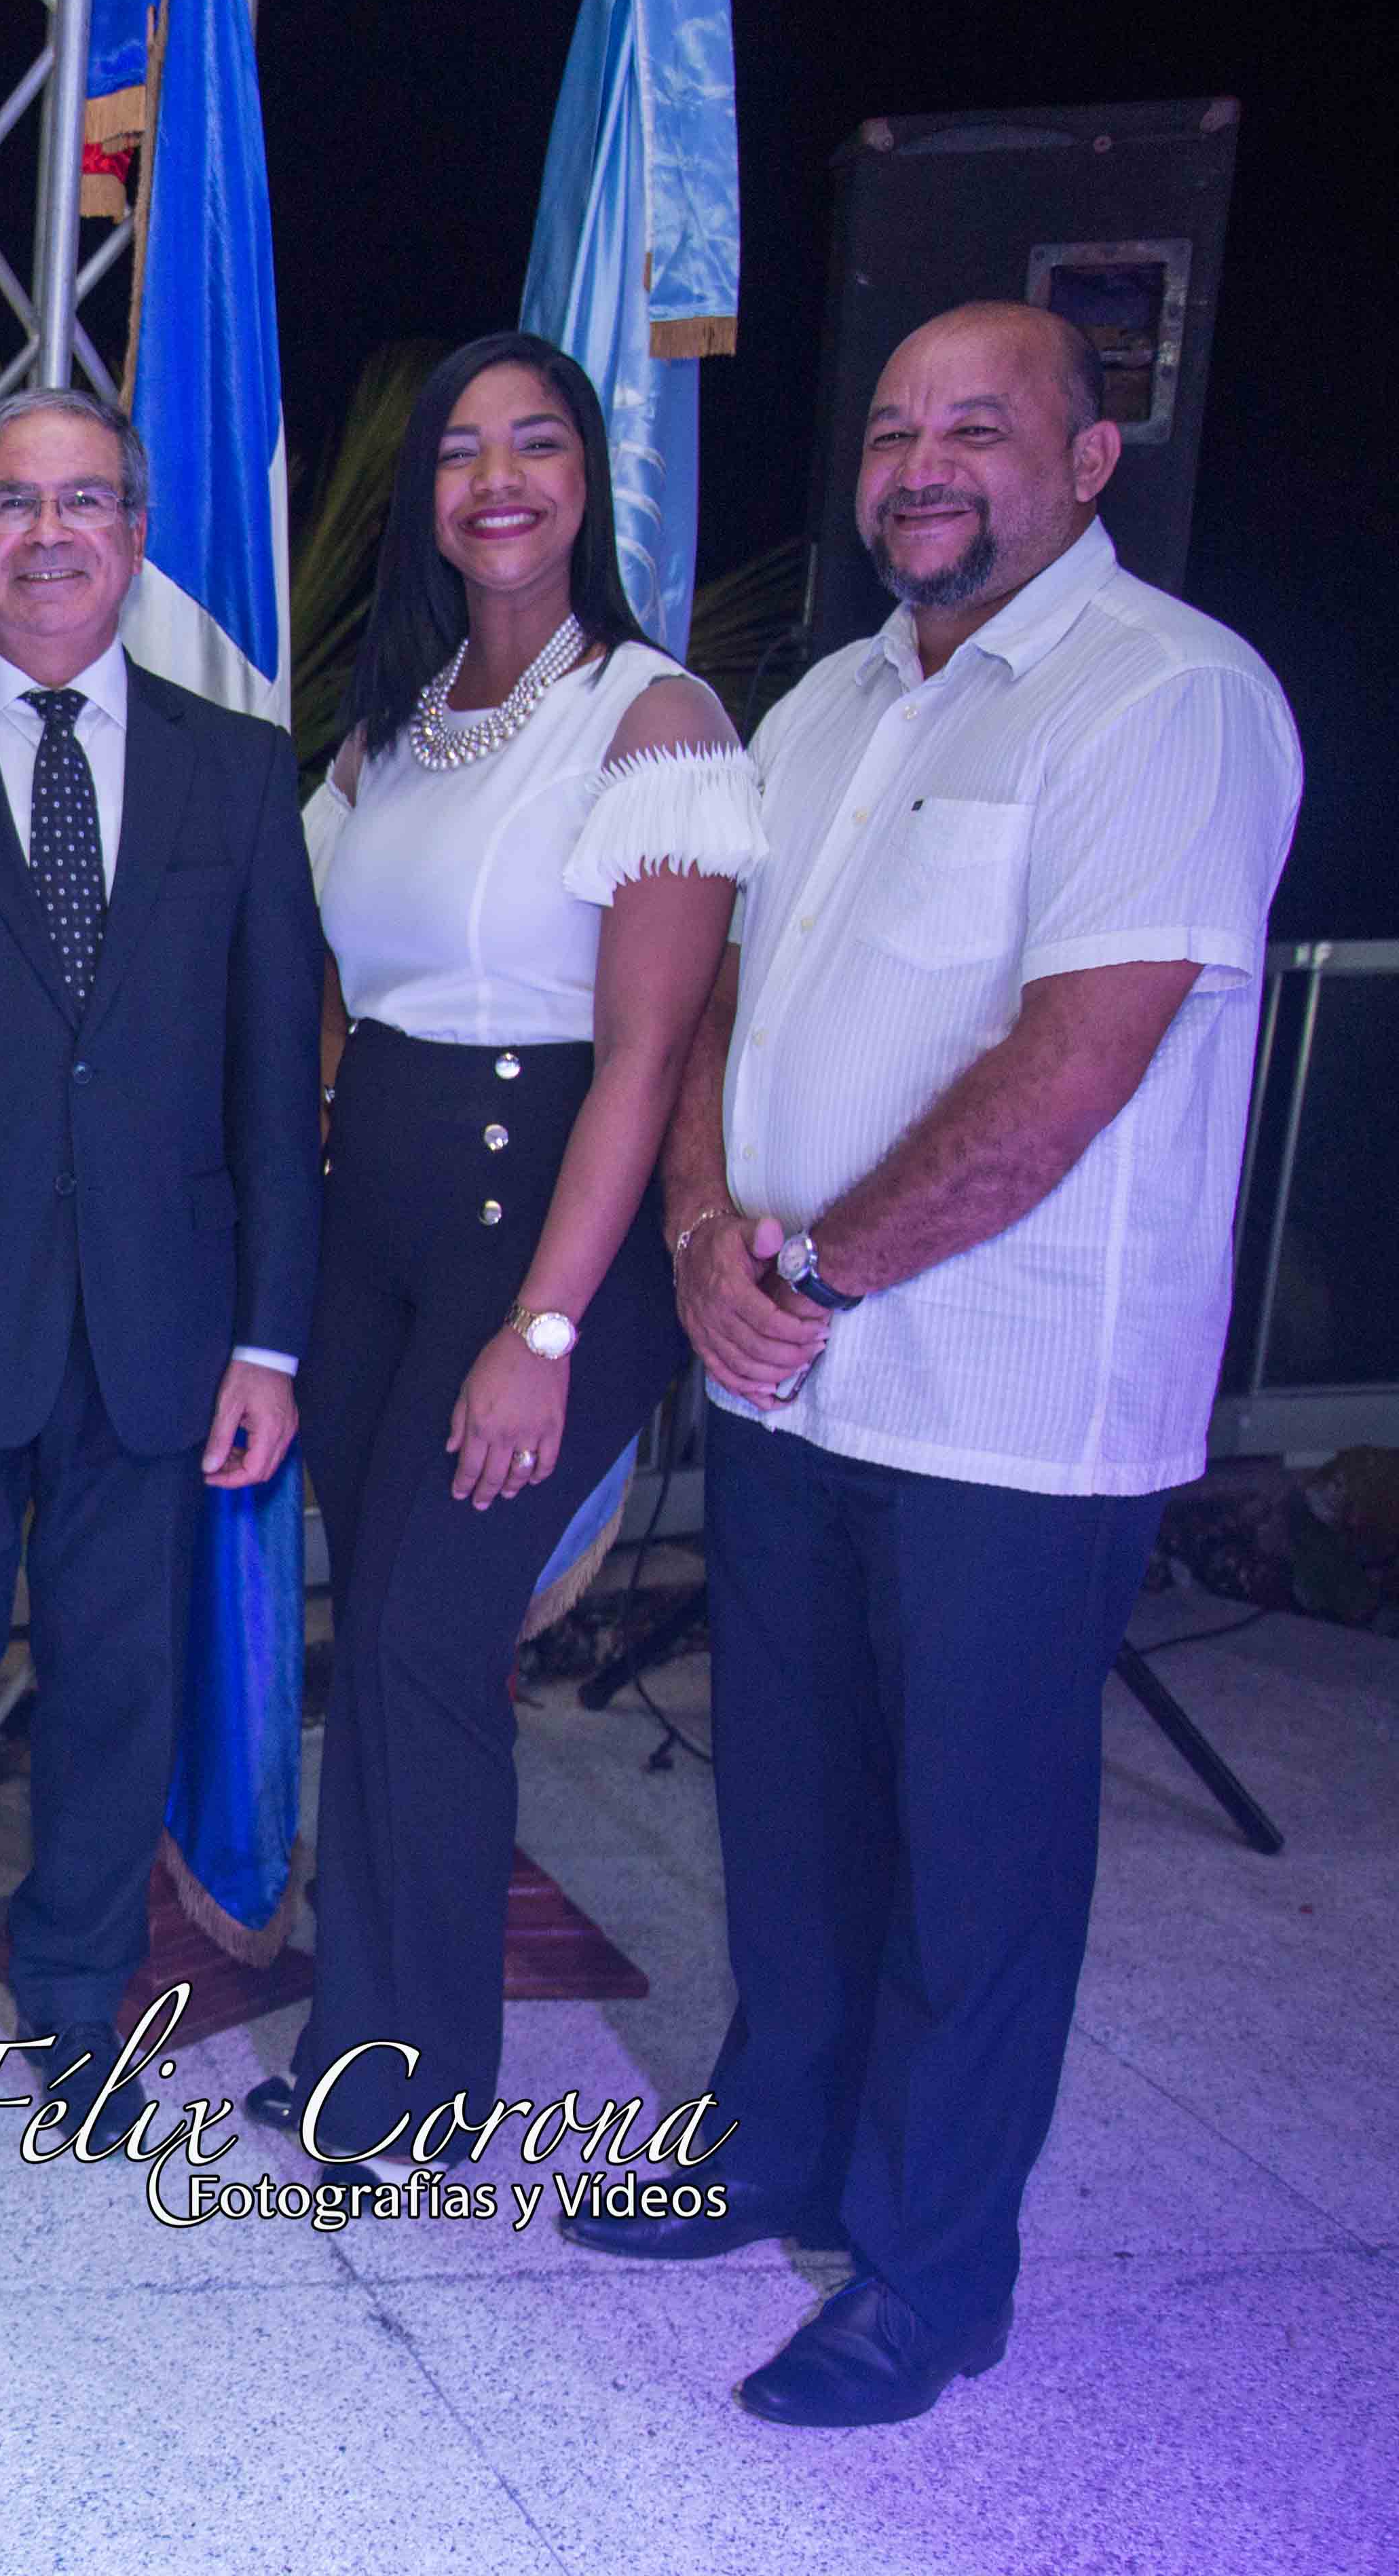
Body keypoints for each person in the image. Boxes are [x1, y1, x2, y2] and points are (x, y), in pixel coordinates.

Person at [589, 301, 1301, 2427]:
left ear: (1088, 461)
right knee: (794, 1822)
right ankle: (771, 2147)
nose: (922, 463)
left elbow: (1073, 1067)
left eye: (979, 429)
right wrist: (711, 1236)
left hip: (1008, 1414)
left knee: (975, 1868)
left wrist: (804, 1272)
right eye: (895, 426)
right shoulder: (820, 705)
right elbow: (721, 1014)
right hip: (800, 1380)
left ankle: (927, 2271)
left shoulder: (1167, 696)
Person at [238, 333, 756, 2173]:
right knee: (377, 1638)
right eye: (460, 449)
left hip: (536, 1233)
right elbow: (321, 977)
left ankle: (423, 2064)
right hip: (372, 1230)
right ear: (429, 503)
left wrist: (540, 1327)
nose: (496, 478)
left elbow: (645, 1051)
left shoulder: (655, 716)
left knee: (421, 1637)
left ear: (590, 478)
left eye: (537, 441)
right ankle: (370, 2012)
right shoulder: (399, 720)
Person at [0, 387, 323, 2149]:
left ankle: (83, 1999)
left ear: (135, 531)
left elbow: (271, 1078)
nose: (45, 534)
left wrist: (272, 1343)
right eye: (8, 504)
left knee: (118, 1687)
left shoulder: (236, 771)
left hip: (161, 1327)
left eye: (81, 499)